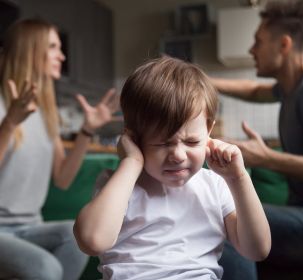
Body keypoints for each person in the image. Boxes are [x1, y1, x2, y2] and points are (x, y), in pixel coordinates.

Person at [73, 56, 271, 280]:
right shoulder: (119, 185)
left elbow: (257, 249)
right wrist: (131, 163)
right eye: (163, 143)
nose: (178, 155)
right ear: (134, 139)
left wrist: (239, 178)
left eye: (192, 142)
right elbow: (92, 241)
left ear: (208, 131)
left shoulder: (215, 185)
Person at [210, 0, 303, 279]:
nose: (251, 50)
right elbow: (255, 90)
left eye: (258, 42)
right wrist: (203, 79)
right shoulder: (294, 87)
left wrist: (267, 158)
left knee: (227, 220)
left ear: (284, 45)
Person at [0, 18, 120, 279]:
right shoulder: (3, 106)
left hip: (29, 225)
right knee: (45, 268)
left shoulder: (45, 112)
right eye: (53, 47)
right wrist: (9, 123)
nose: (62, 55)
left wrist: (86, 131)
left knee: (76, 237)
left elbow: (63, 178)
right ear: (31, 50)